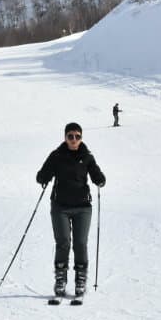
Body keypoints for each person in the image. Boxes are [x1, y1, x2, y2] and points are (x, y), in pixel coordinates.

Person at [36, 122, 106, 297]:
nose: (74, 140)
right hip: (60, 206)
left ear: (81, 138)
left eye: (77, 136)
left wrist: (100, 180)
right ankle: (61, 279)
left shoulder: (87, 157)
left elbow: (97, 174)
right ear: (65, 137)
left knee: (80, 243)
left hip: (83, 207)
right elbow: (42, 174)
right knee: (63, 242)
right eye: (70, 136)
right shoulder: (57, 156)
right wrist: (44, 177)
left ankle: (80, 280)